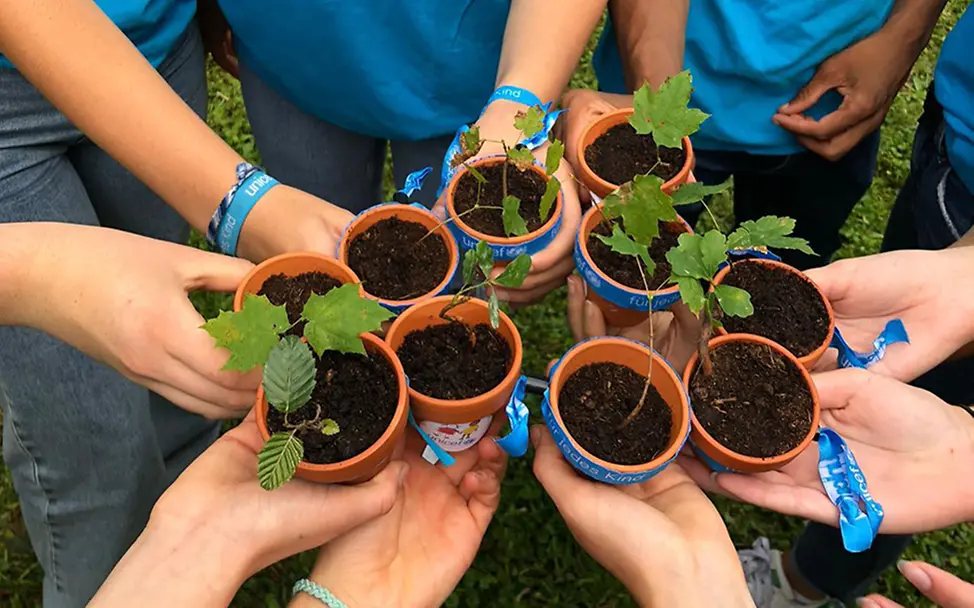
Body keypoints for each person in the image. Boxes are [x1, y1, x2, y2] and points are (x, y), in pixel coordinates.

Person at [0, 1, 354, 604]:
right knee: (95, 437)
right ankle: (106, 579)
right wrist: (241, 204)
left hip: (155, 49)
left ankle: (187, 540)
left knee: (181, 381)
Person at [197, 0, 602, 305]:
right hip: (291, 54)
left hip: (465, 69)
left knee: (458, 264)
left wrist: (517, 101)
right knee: (318, 258)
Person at [563, 0, 945, 273]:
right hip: (662, 89)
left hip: (832, 107)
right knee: (640, 264)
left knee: (784, 275)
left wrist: (904, 35)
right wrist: (659, 110)